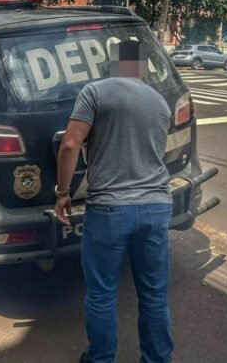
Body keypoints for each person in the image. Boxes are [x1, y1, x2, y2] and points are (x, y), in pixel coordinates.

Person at [55, 40, 174, 363]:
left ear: (114, 64)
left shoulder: (95, 92)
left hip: (110, 209)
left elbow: (69, 145)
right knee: (153, 295)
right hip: (156, 206)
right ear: (141, 66)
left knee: (102, 293)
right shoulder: (160, 102)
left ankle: (100, 359)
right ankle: (156, 359)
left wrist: (63, 193)